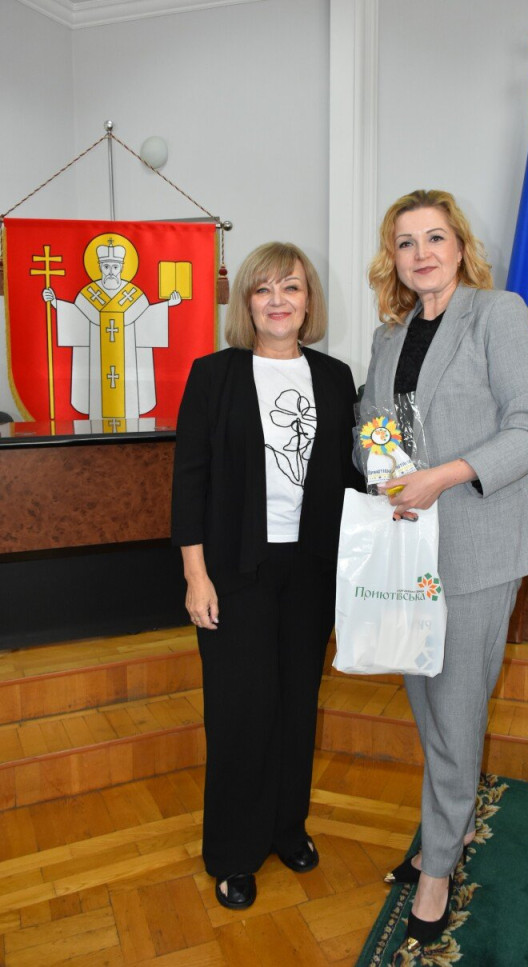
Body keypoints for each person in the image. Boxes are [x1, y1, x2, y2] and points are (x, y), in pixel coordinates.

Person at [358, 189, 528, 949]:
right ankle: (453, 820)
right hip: (409, 545)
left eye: (435, 237)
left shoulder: (497, 314)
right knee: (427, 701)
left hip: (480, 540)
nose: (422, 254)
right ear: (393, 258)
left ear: (460, 246)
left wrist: (442, 476)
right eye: (406, 242)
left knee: (456, 706)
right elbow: (372, 425)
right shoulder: (389, 336)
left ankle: (438, 864)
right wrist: (380, 469)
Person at [171, 241, 361, 911]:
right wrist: (196, 575)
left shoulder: (335, 377)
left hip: (310, 570)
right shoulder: (214, 374)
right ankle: (233, 850)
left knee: (296, 702)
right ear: (246, 303)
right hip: (235, 569)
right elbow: (189, 482)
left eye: (292, 287)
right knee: (241, 711)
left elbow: (351, 474)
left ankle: (286, 826)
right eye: (263, 289)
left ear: (309, 301)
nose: (278, 300)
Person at [43, 235, 181, 419]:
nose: (110, 271)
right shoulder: (89, 293)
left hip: (129, 361)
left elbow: (146, 316)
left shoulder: (133, 294)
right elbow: (76, 317)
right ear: (99, 267)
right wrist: (56, 303)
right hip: (96, 361)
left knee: (129, 407)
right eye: (106, 266)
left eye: (115, 267)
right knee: (97, 402)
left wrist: (168, 305)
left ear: (122, 268)